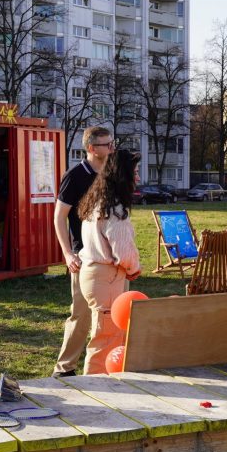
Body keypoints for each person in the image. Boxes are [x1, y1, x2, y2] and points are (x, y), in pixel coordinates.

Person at [51, 126, 115, 377]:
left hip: (110, 258)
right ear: (91, 148)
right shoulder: (75, 175)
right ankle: (64, 369)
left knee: (109, 317)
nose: (111, 149)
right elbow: (59, 217)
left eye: (112, 144)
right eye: (105, 145)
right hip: (84, 257)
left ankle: (104, 367)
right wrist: (68, 254)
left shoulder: (112, 173)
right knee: (81, 316)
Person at [76, 148, 142, 375]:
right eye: (134, 172)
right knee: (106, 339)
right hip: (106, 278)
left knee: (105, 335)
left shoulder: (98, 202)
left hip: (94, 275)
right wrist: (134, 268)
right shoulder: (115, 209)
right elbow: (123, 252)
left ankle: (101, 387)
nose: (138, 178)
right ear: (123, 175)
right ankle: (94, 389)